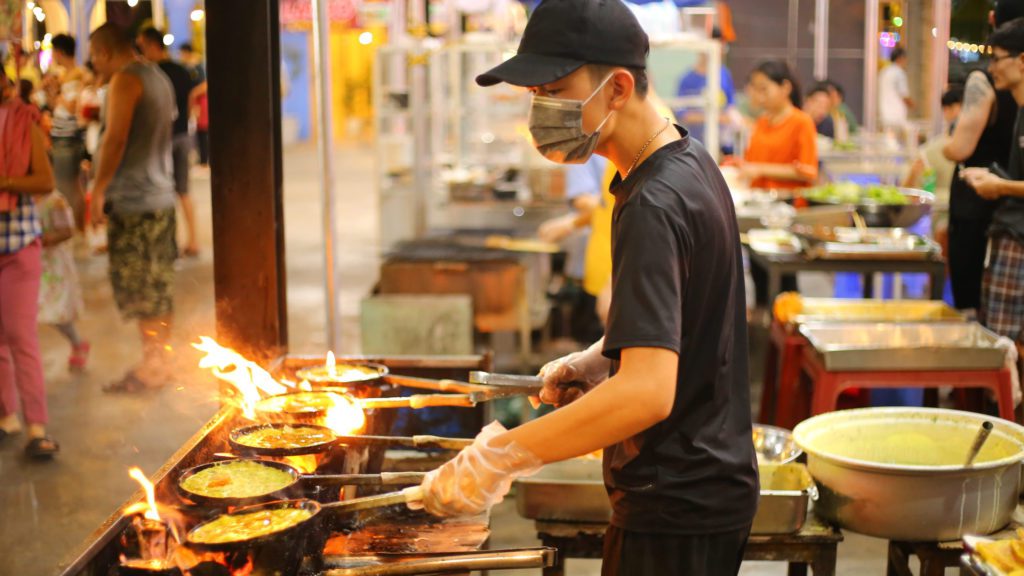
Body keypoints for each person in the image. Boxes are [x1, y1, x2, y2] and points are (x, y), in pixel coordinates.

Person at [417, 1, 759, 574]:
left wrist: (500, 457)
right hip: (705, 484)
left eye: (552, 90)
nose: (539, 110)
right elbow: (692, 316)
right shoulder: (686, 160)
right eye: (534, 95)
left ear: (618, 87)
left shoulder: (654, 202)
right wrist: (603, 357)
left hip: (676, 500)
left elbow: (648, 394)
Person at [89, 23, 178, 392]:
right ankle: (157, 361)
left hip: (136, 203)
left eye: (94, 56)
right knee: (157, 287)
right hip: (159, 197)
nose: (93, 64)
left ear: (105, 52)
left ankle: (153, 367)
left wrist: (97, 190)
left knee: (144, 290)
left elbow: (116, 138)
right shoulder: (157, 76)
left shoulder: (126, 80)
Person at [941, 1, 1024, 312]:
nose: (992, 67)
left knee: (979, 309)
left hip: (985, 210)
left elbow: (959, 148)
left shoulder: (984, 81)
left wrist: (946, 142)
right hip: (1007, 216)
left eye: (997, 59)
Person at [0, 70, 59, 458]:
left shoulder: (24, 121)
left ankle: (37, 428)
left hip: (18, 246)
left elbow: (44, 180)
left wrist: (4, 180)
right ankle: (8, 417)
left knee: (21, 337)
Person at [962, 18, 1024, 347]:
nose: (991, 68)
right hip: (1009, 233)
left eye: (997, 58)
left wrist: (1000, 186)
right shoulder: (1019, 110)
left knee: (1006, 346)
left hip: (1017, 237)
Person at [740, 60, 818, 305]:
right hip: (757, 211)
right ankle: (764, 333)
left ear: (785, 88)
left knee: (784, 281)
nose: (758, 95)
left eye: (764, 88)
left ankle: (787, 334)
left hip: (786, 213)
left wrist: (760, 168)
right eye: (755, 88)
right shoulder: (762, 122)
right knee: (759, 277)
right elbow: (751, 163)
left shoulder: (800, 121)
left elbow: (808, 171)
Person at [136, 27, 200, 257]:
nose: (141, 52)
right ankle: (193, 240)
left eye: (142, 46)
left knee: (162, 192)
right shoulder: (181, 70)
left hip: (162, 139)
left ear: (152, 45)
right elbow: (194, 94)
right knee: (183, 191)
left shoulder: (152, 73)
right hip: (183, 135)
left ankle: (169, 242)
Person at [37, 189, 88, 370]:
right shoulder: (20, 197)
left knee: (56, 313)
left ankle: (77, 343)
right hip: (31, 265)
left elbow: (68, 231)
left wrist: (41, 239)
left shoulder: (55, 200)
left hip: (53, 267)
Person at [47, 34, 90, 231]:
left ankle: (76, 230)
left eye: (53, 50)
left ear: (60, 51)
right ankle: (77, 229)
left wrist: (58, 93)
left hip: (68, 137)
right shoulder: (65, 75)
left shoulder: (78, 75)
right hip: (61, 135)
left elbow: (73, 107)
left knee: (68, 187)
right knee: (70, 186)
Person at [675, 50, 740, 154]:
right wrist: (714, 118)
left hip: (723, 143)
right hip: (696, 144)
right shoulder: (686, 80)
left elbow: (731, 106)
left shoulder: (724, 74)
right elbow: (683, 115)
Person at [180, 43, 209, 168]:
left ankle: (204, 160)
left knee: (203, 131)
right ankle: (202, 158)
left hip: (201, 102)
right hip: (195, 102)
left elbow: (204, 84)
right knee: (198, 131)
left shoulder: (198, 66)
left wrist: (193, 94)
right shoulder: (189, 67)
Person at [878, 47, 915, 134]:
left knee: (889, 140)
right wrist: (912, 105)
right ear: (900, 58)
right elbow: (904, 95)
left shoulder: (884, 72)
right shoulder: (899, 73)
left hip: (885, 114)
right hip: (897, 116)